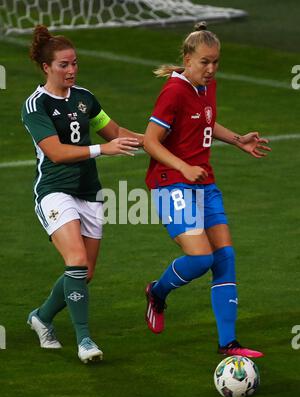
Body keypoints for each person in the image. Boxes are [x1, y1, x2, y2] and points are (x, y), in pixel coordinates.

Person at [143, 22, 271, 358]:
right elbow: (149, 141)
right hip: (171, 184)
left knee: (225, 257)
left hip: (205, 183)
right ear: (187, 58)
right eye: (204, 62)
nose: (211, 69)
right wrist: (182, 166)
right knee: (201, 258)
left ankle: (228, 343)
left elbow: (205, 121)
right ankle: (157, 293)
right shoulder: (173, 91)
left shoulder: (204, 87)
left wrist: (237, 140)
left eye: (215, 62)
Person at [21, 25, 143, 363]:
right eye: (64, 65)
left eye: (75, 63)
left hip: (89, 193)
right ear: (46, 67)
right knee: (75, 261)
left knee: (84, 273)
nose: (71, 70)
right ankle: (85, 341)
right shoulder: (35, 106)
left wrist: (159, 142)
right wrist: (103, 150)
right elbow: (57, 152)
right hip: (53, 191)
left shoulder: (85, 98)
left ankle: (41, 318)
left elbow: (116, 131)